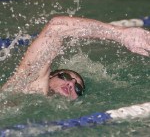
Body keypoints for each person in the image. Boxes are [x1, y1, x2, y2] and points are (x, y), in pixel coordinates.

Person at [1, 16, 150, 100]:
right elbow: (56, 28)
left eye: (78, 88)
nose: (71, 83)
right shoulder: (28, 84)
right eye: (65, 76)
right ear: (49, 75)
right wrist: (121, 34)